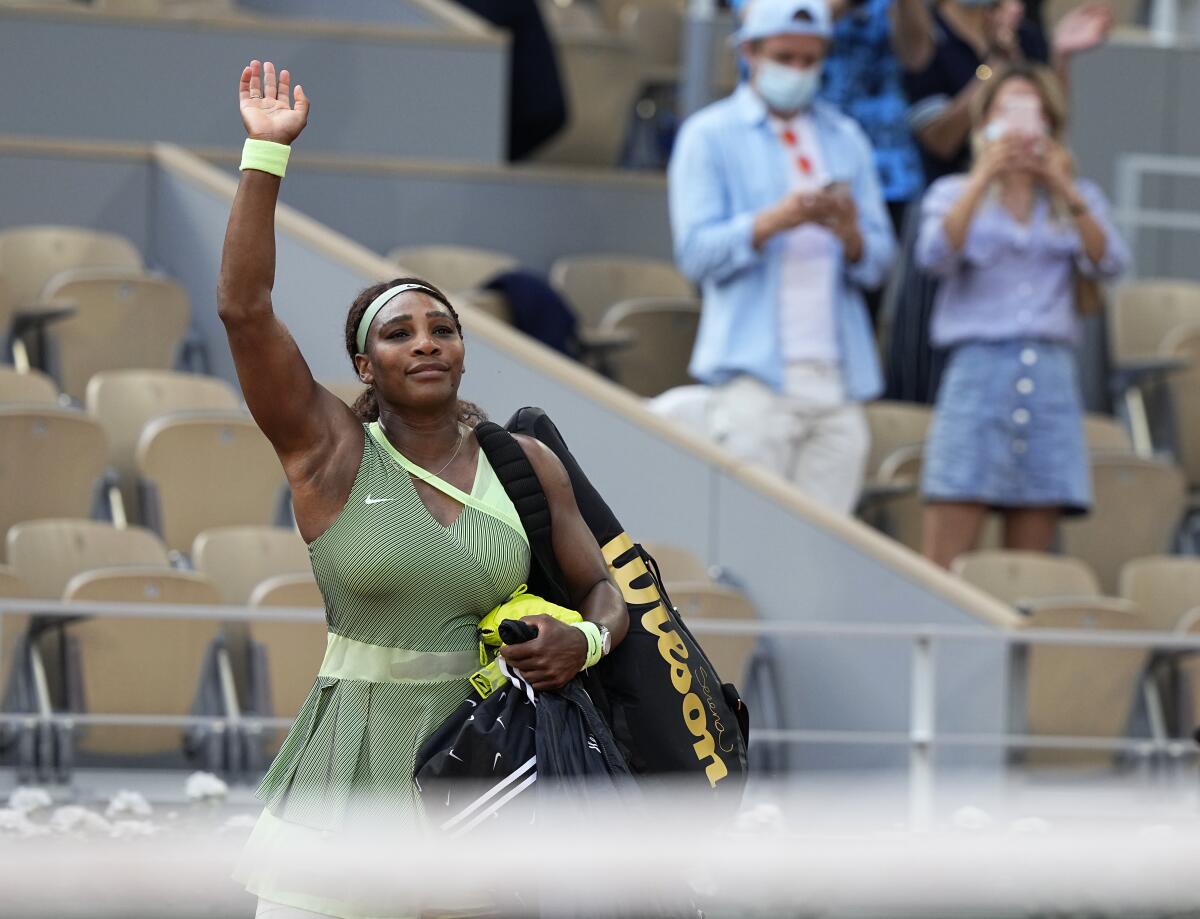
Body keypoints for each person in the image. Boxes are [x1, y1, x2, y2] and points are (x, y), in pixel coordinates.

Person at [220, 60, 627, 918]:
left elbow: (603, 588)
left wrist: (583, 642)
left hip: (486, 780)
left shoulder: (523, 462)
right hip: (344, 780)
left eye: (442, 327)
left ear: (464, 350)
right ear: (367, 366)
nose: (426, 341)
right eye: (398, 333)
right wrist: (265, 156)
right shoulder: (328, 452)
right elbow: (244, 310)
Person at [668, 0, 896, 515]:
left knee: (826, 550)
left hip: (838, 379)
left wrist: (849, 230)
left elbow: (879, 263)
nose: (798, 70)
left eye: (810, 60)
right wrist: (775, 220)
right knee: (753, 535)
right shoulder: (708, 134)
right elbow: (696, 256)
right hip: (752, 376)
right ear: (748, 52)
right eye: (784, 56)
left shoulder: (847, 138)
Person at [914, 64, 1129, 568]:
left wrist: (1062, 186)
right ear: (984, 121)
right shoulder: (951, 192)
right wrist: (984, 175)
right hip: (977, 374)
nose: (1019, 126)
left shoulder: (1076, 198)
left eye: (1031, 112)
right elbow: (934, 255)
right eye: (1006, 110)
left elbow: (1110, 261)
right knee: (944, 561)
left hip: (1050, 378)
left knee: (1028, 571)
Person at [884, 0, 1112, 405]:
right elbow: (940, 137)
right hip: (952, 212)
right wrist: (993, 65)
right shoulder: (929, 34)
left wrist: (1055, 53)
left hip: (1022, 208)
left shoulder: (1023, 34)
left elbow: (1051, 112)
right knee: (926, 379)